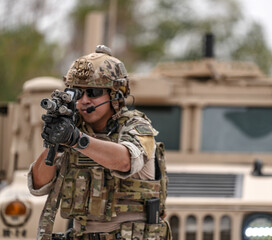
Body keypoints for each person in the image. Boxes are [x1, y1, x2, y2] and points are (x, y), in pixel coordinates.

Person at [28, 45, 170, 240]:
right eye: (77, 92)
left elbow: (125, 161)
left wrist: (75, 139)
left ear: (114, 95)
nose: (84, 100)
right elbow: (38, 185)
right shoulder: (74, 128)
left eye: (93, 92)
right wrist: (53, 145)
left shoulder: (137, 127)